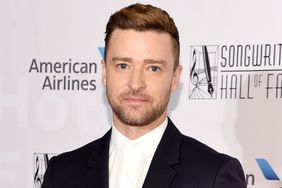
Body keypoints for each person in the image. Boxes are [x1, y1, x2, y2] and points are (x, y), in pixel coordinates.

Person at [42, 3, 247, 188]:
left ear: (175, 78)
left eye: (153, 68)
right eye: (123, 65)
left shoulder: (213, 175)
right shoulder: (61, 173)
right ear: (105, 72)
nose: (136, 83)